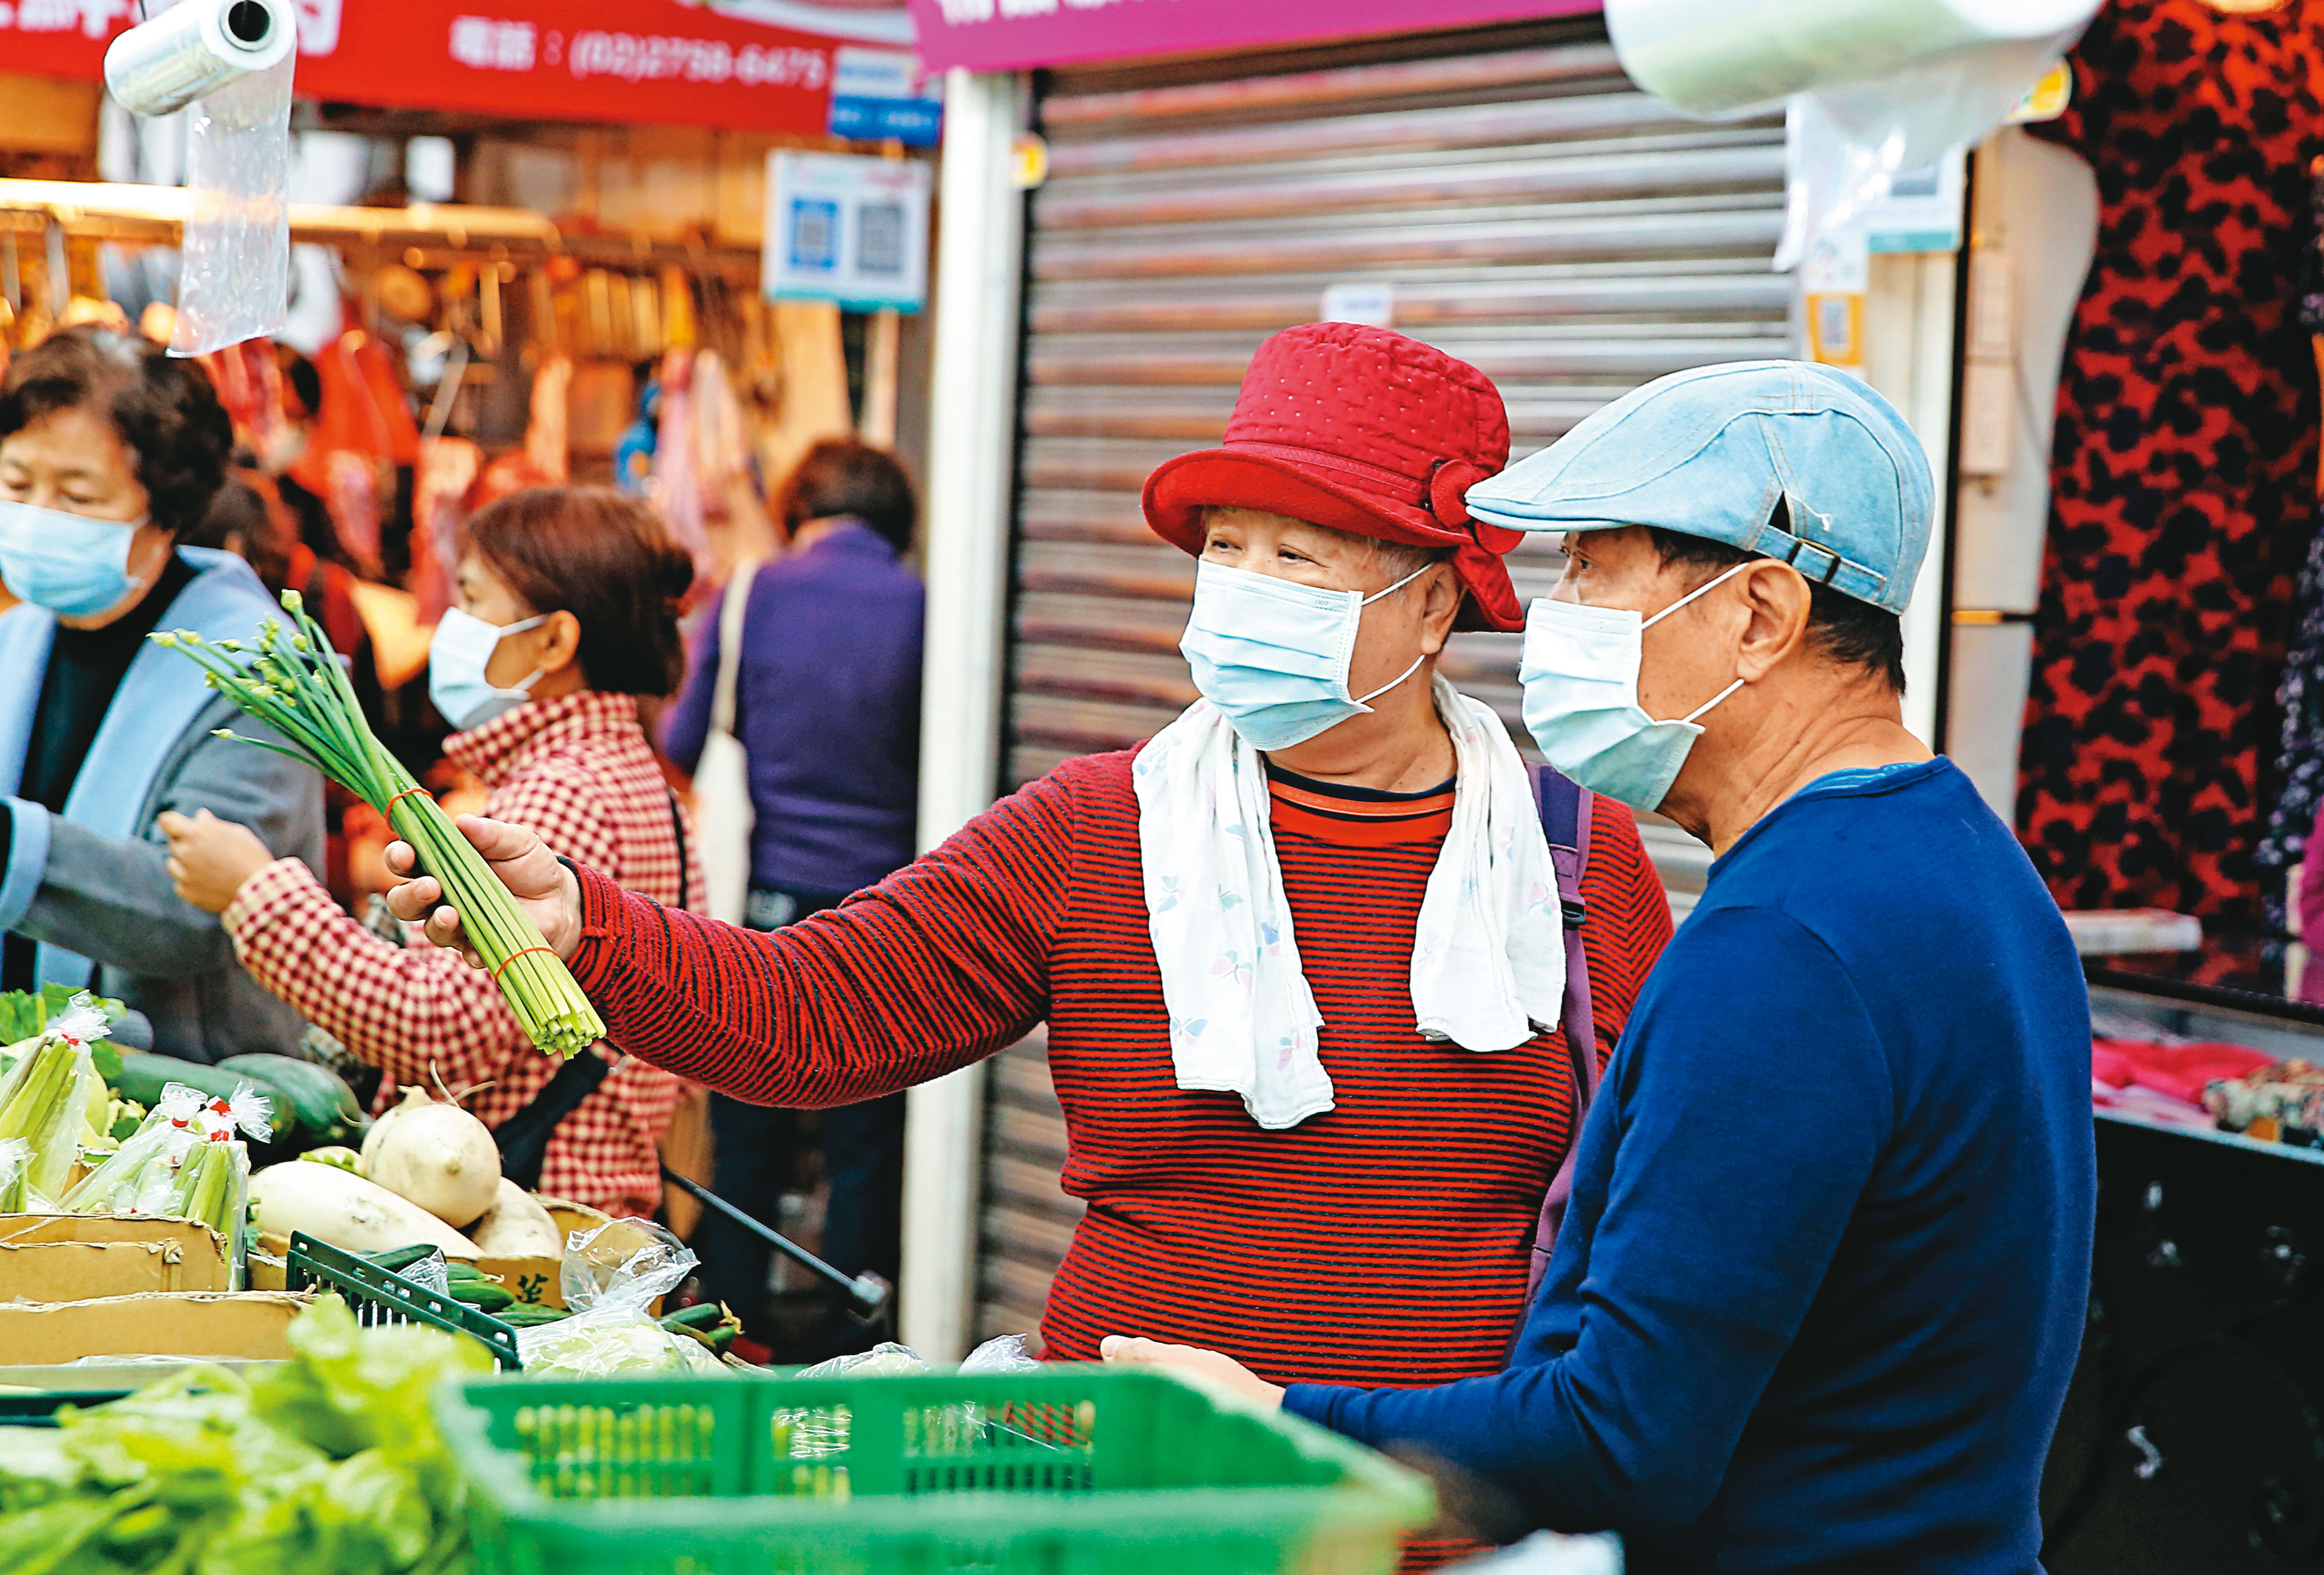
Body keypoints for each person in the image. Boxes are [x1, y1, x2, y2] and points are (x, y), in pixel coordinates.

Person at [381, 325, 1674, 1496]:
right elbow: (810, 1013)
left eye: (1298, 556)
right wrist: (586, 924)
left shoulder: (1573, 862)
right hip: (1116, 1515)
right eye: (1225, 546)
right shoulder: (1097, 830)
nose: (1240, 582)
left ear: (1435, 602)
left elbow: (1650, 1224)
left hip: (1438, 1528)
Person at [1104, 363, 2097, 1575]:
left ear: (1759, 615)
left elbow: (1622, 1438)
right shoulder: (1967, 862)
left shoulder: (1784, 945)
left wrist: (1270, 1414)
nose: (1549, 622)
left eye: (1590, 572)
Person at [160, 488, 702, 1219]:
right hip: (588, 1201)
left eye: (473, 600)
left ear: (554, 642)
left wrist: (258, 895)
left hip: (530, 1211)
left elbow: (442, 1028)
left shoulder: (563, 793)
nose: (452, 626)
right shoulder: (629, 773)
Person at [0, 327, 323, 1059]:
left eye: (77, 494)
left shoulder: (262, 672)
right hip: (3, 1093)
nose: (38, 514)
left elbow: (186, 915)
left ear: (165, 509)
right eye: (15, 485)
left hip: (196, 1110)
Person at [657, 437, 926, 1348]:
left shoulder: (751, 593)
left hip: (764, 901)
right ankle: (850, 1348)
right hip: (895, 908)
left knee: (749, 1128)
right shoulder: (929, 606)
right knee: (862, 1144)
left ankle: (729, 1332)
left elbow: (684, 739)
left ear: (796, 510)